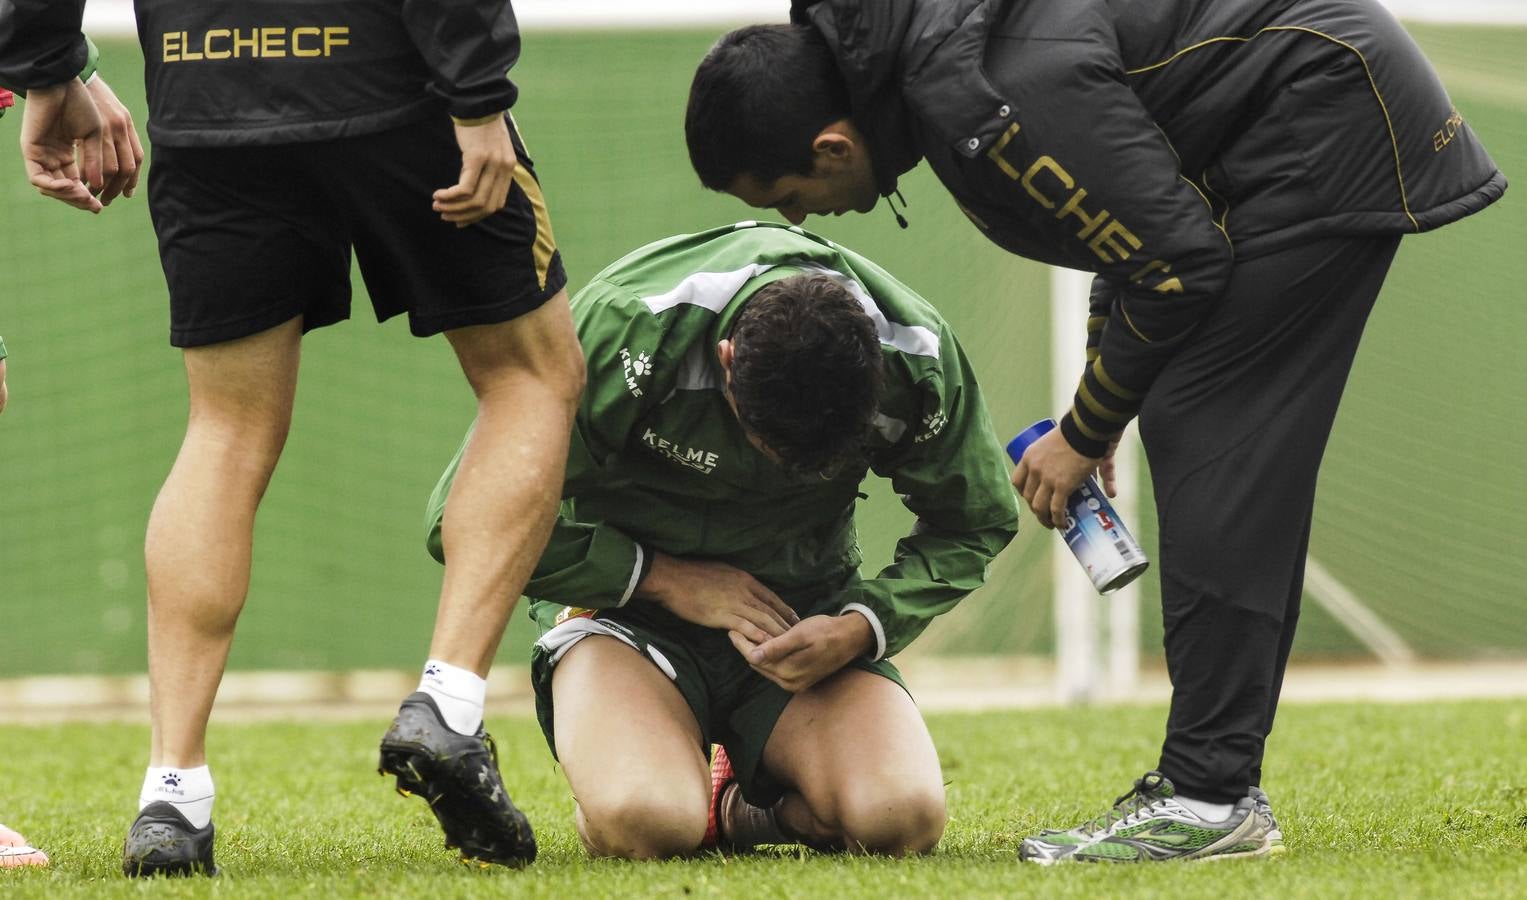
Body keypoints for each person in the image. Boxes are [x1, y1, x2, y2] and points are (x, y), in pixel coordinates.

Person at [685, 0, 1505, 864]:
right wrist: (1099, 402)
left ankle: (1207, 795)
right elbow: (1127, 234)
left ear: (833, 148)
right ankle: (1212, 787)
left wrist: (1083, 429)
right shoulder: (950, 66)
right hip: (1290, 124)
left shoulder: (985, 92)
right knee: (1196, 422)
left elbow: (1175, 264)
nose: (803, 222)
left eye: (789, 199)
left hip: (1321, 119)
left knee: (1210, 430)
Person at [0, 0, 585, 876]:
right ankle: (450, 706)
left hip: (204, 102)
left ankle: (172, 794)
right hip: (395, 86)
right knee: (531, 376)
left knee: (224, 429)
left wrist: (47, 66)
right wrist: (478, 99)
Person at [424, 221, 1019, 858]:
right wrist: (665, 578)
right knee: (644, 820)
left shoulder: (917, 356)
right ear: (728, 359)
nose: (788, 474)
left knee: (902, 818)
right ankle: (670, 773)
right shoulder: (627, 326)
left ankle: (739, 811)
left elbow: (974, 520)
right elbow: (464, 519)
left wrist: (863, 624)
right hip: (626, 617)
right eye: (770, 446)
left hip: (797, 615)